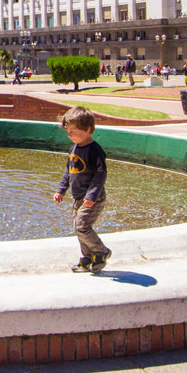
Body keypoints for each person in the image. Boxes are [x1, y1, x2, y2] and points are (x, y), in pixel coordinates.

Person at [53, 106, 112, 274]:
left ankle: (101, 251)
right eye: (67, 131)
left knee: (82, 226)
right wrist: (61, 190)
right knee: (78, 228)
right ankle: (87, 258)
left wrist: (92, 195)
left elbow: (101, 175)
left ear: (87, 129)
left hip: (93, 198)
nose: (69, 135)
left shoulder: (94, 150)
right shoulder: (75, 148)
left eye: (73, 131)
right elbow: (68, 171)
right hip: (79, 198)